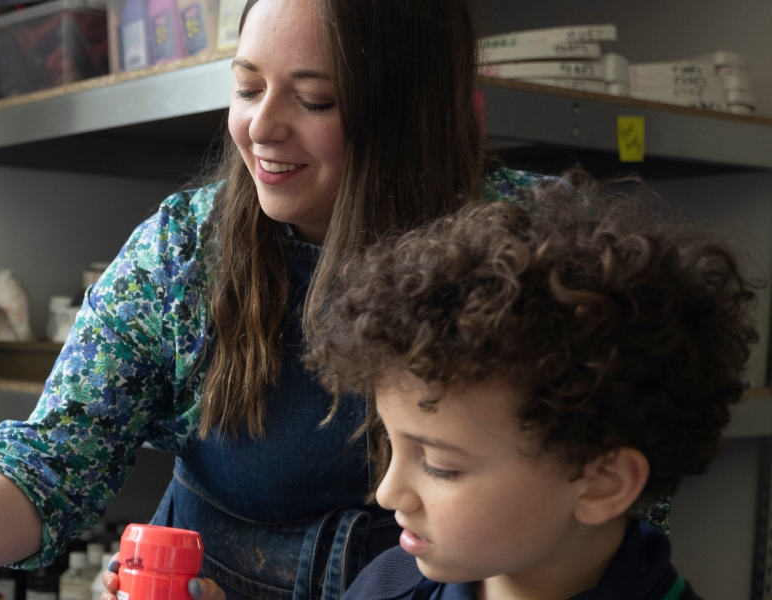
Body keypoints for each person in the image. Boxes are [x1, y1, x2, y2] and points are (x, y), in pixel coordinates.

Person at [0, 0, 551, 598]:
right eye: (246, 86)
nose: (261, 128)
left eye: (315, 98)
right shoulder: (185, 250)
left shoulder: (531, 251)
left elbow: (589, 523)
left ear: (408, 112)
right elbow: (56, 459)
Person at [304, 174, 751, 599]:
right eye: (390, 440)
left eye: (440, 465)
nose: (387, 493)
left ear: (602, 482)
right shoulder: (387, 585)